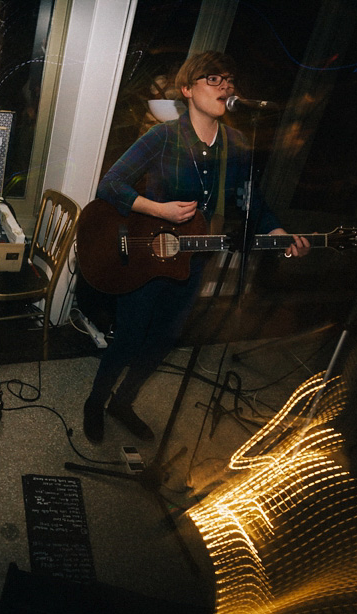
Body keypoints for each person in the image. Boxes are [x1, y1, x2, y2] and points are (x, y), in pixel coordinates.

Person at [83, 51, 310, 444]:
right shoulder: (164, 136)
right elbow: (111, 185)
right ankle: (95, 402)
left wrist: (276, 230)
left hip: (193, 262)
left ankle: (123, 402)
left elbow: (250, 201)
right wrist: (158, 209)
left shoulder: (237, 144)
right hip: (145, 256)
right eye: (213, 79)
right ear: (187, 89)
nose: (225, 86)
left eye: (228, 79)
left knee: (162, 341)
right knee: (130, 338)